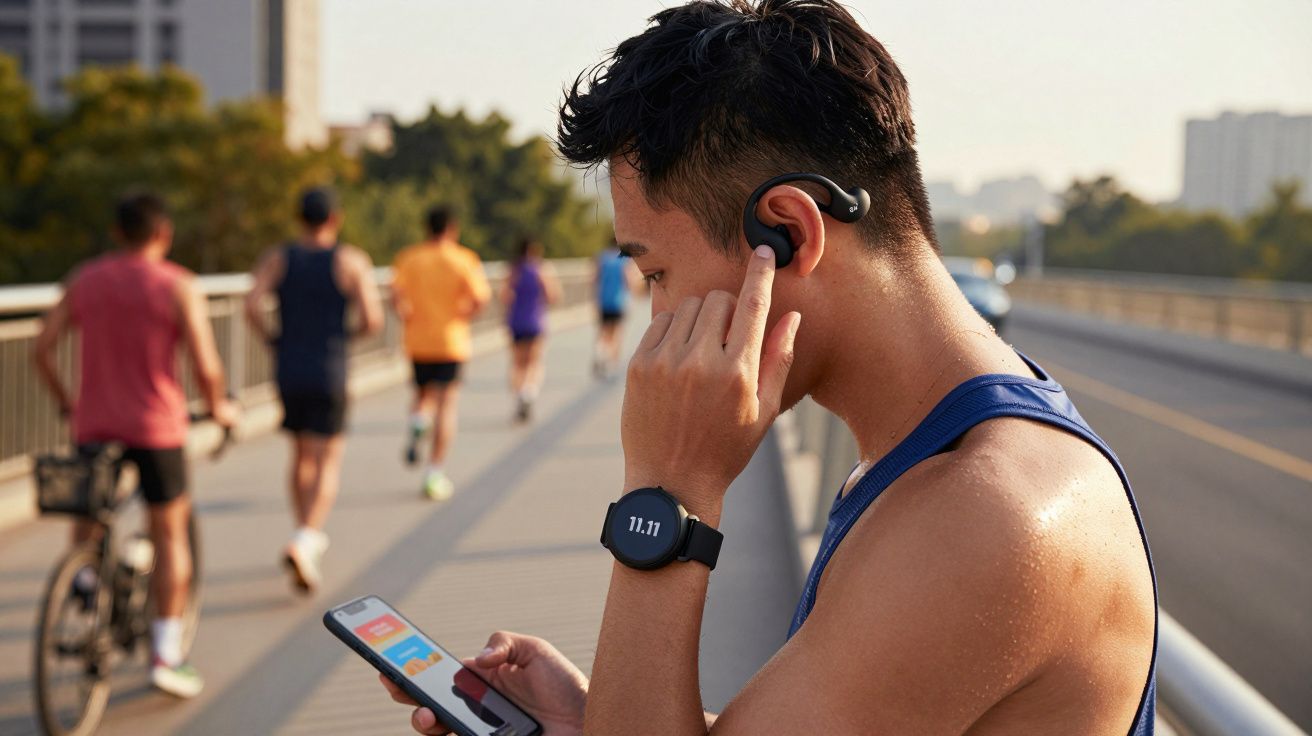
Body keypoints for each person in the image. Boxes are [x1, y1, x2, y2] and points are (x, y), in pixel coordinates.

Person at [379, 1, 1158, 735]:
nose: (657, 324)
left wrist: (668, 495)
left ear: (786, 231)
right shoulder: (947, 448)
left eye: (655, 275)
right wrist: (596, 716)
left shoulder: (987, 516)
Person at [33, 192, 238, 698]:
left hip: (94, 424)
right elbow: (206, 367)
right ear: (163, 234)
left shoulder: (85, 280)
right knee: (169, 532)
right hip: (156, 428)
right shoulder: (177, 285)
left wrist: (68, 405)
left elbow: (42, 349)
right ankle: (165, 655)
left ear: (117, 233)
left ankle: (84, 584)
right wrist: (220, 409)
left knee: (91, 513)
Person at [244, 187, 383, 594]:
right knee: (328, 457)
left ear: (299, 218)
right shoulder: (350, 261)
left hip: (289, 368)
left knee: (300, 454)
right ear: (335, 219)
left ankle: (302, 532)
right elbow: (373, 319)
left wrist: (273, 339)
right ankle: (306, 538)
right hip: (329, 366)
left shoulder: (278, 258)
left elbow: (252, 304)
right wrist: (344, 336)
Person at [391, 206, 491, 500]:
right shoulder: (463, 259)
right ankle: (433, 474)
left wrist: (407, 316)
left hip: (418, 340)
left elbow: (396, 296)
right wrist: (462, 314)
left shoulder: (409, 258)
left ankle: (418, 422)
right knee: (446, 405)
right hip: (451, 341)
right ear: (452, 228)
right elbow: (480, 298)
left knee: (422, 396)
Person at [501, 237, 560, 422]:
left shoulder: (513, 270)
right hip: (535, 321)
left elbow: (504, 296)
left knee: (517, 362)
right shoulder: (541, 269)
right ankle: (528, 393)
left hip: (516, 321)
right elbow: (552, 296)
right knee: (534, 362)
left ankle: (519, 394)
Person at [591, 240, 642, 378]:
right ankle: (611, 365)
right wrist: (634, 296)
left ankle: (600, 353)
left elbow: (595, 279)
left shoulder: (602, 257)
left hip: (603, 300)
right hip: (618, 301)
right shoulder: (624, 259)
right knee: (616, 333)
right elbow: (629, 280)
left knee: (603, 331)